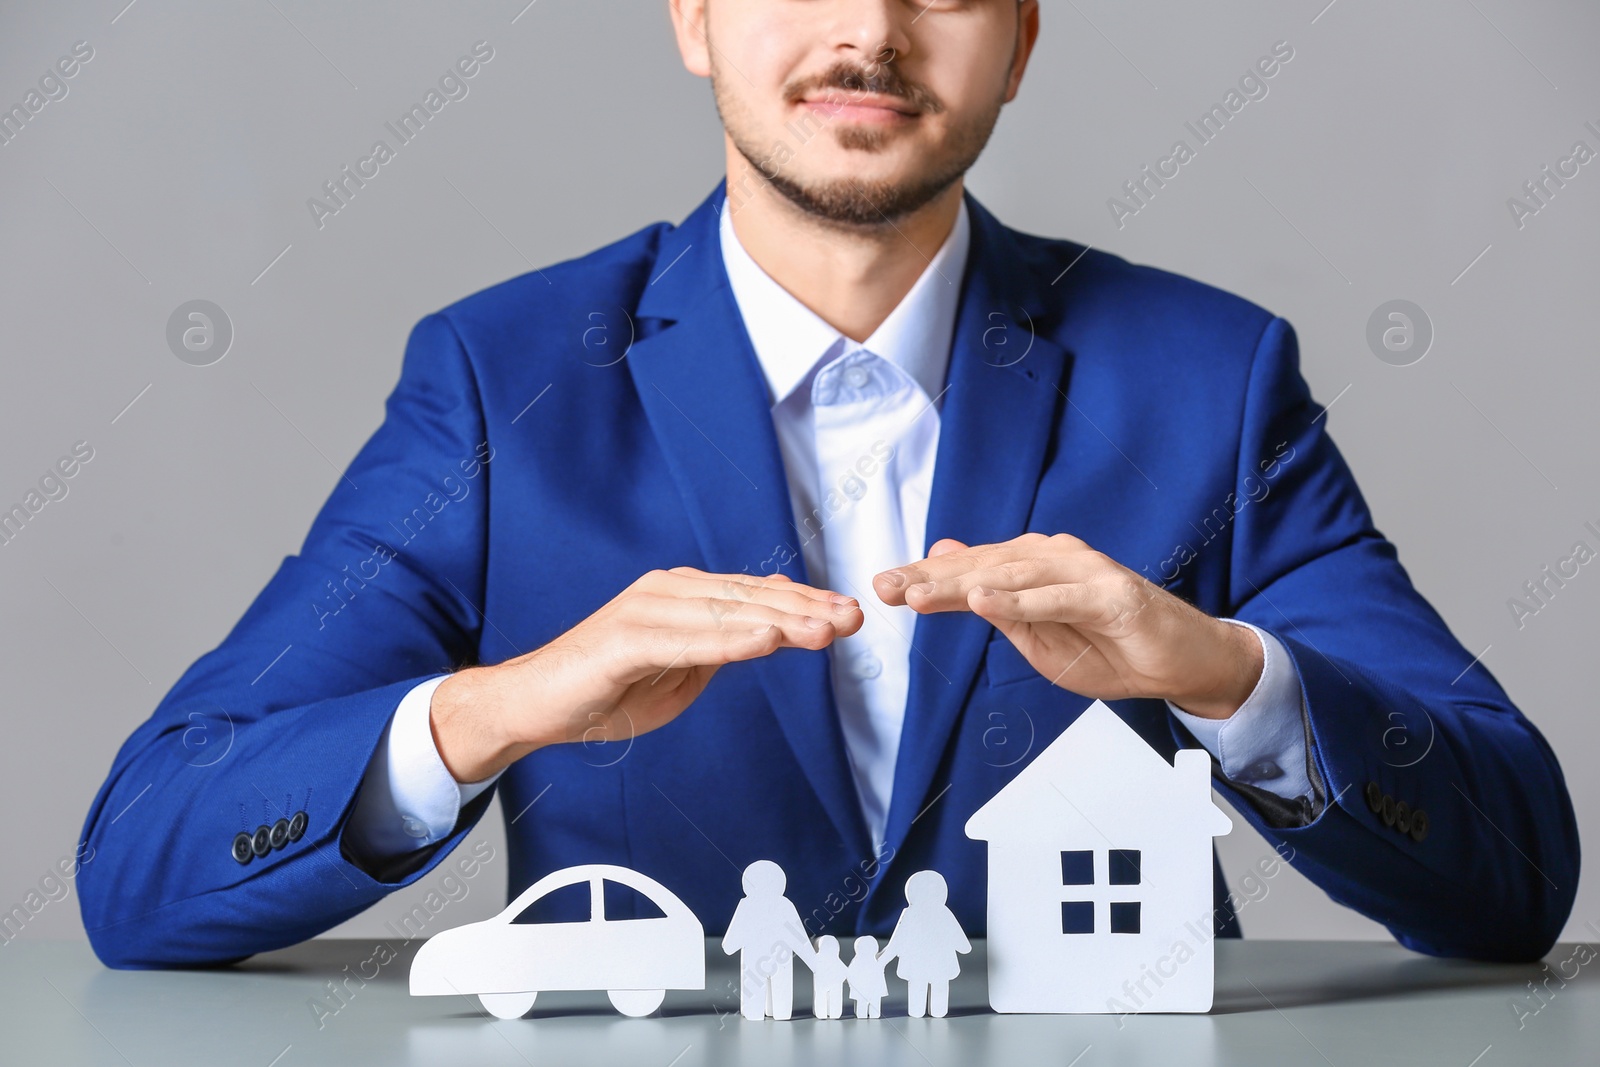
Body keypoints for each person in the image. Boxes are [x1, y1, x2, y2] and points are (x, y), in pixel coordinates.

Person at [78, 0, 1577, 971]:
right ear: (693, 16)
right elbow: (144, 856)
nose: (869, 30)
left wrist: (1227, 673)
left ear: (1026, 36)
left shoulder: (1212, 379)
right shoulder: (499, 380)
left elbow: (1515, 875)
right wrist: (505, 703)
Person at [722, 860, 817, 1021]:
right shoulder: (785, 904)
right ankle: (778, 1012)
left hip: (756, 960)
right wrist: (814, 962)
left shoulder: (747, 905)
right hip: (780, 959)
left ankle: (757, 1012)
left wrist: (731, 945)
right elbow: (799, 938)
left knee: (755, 996)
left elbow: (730, 943)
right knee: (781, 994)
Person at [880, 871, 971, 1018]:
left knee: (921, 985)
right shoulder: (942, 913)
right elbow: (963, 946)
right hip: (937, 963)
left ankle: (924, 1010)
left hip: (919, 963)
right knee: (932, 984)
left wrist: (882, 961)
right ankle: (935, 1010)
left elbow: (897, 942)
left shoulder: (912, 913)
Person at [846, 935, 889, 1019]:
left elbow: (879, 976)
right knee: (863, 1005)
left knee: (873, 1005)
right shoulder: (857, 963)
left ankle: (871, 1013)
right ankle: (864, 1013)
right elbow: (851, 975)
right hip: (863, 990)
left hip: (873, 990)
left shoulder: (875, 962)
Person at [811, 934, 849, 1020]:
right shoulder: (819, 959)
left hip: (833, 984)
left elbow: (846, 972)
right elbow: (846, 973)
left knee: (826, 996)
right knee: (823, 996)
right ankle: (824, 1013)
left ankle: (830, 1013)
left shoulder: (834, 960)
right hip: (827, 984)